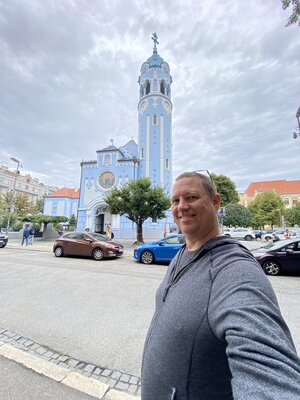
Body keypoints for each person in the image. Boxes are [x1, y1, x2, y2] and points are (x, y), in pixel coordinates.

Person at [141, 172, 300, 400]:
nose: (182, 206)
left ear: (216, 202)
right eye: (175, 201)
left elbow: (270, 372)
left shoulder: (233, 269)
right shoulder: (182, 253)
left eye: (192, 197)